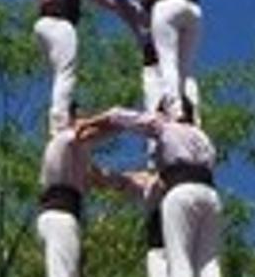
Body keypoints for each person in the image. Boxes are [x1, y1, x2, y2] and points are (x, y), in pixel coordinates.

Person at [78, 98, 221, 277]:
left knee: (180, 261)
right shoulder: (203, 139)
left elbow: (119, 115)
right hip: (210, 196)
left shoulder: (167, 127)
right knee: (208, 262)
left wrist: (87, 123)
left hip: (180, 194)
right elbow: (126, 181)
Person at [85, 0, 201, 122]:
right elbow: (110, 0)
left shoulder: (173, 7)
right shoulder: (136, 11)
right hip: (155, 71)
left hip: (182, 72)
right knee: (159, 120)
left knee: (191, 119)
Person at [35, 0, 100, 133]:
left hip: (45, 23)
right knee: (66, 73)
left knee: (59, 75)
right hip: (59, 22)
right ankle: (60, 122)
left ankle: (68, 110)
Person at [37, 104, 112, 277]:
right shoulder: (63, 139)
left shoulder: (77, 157)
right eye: (81, 119)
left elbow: (99, 178)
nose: (86, 122)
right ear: (70, 121)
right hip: (60, 215)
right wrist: (121, 121)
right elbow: (93, 133)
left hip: (61, 216)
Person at [90, 166, 168, 277]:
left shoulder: (153, 181)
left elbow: (112, 180)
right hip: (160, 246)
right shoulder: (149, 181)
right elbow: (110, 180)